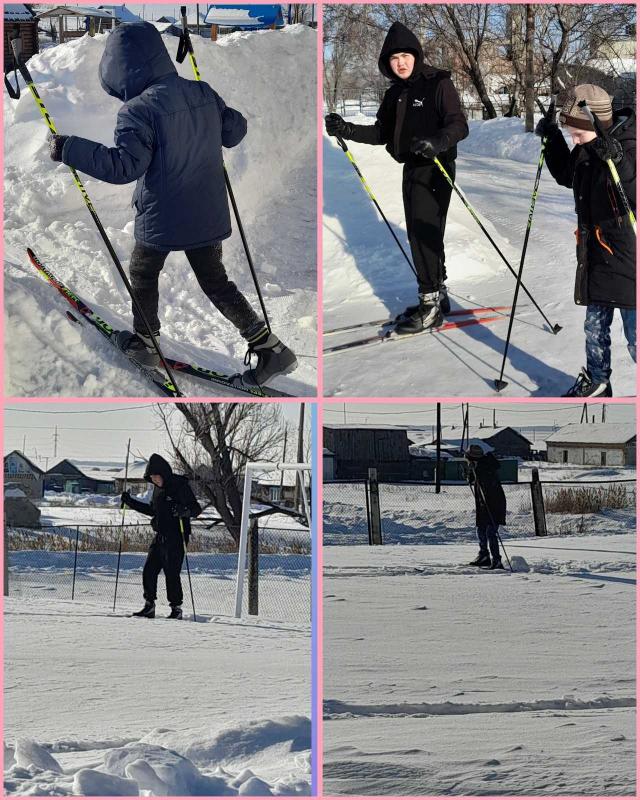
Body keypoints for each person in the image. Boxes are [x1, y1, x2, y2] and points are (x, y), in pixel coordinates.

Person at [47, 21, 296, 387]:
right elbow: (235, 131)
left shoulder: (137, 110)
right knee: (216, 282)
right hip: (207, 213)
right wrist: (217, 110)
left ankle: (146, 341)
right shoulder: (201, 91)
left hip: (163, 218)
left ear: (121, 69)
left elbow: (124, 167)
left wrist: (68, 147)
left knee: (144, 273)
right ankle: (269, 346)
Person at [325, 21, 469, 334]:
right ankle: (438, 294)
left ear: (416, 55)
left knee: (423, 235)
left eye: (405, 55)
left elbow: (459, 124)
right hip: (412, 169)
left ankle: (429, 303)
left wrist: (438, 142)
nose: (400, 62)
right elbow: (382, 133)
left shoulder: (437, 83)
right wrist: (347, 130)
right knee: (425, 234)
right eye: (393, 58)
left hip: (437, 167)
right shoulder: (395, 94)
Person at [535, 84, 636, 397]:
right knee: (594, 328)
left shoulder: (628, 144)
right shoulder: (586, 148)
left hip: (629, 257)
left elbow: (631, 195)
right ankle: (598, 380)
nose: (574, 140)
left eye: (576, 133)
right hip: (595, 252)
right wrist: (552, 140)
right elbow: (569, 175)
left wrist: (617, 161)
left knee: (635, 336)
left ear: (595, 121)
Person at [121, 453, 202, 619]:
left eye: (156, 477)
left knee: (171, 573)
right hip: (160, 535)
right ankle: (149, 605)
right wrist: (131, 502)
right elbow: (152, 510)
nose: (154, 480)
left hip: (177, 536)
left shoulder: (180, 485)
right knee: (149, 570)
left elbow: (196, 509)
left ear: (163, 473)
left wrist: (183, 511)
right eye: (151, 478)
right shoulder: (157, 490)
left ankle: (176, 608)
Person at [465, 443, 506, 570]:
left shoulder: (485, 468)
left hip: (493, 504)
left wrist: (474, 471)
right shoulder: (479, 466)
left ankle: (497, 560)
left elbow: (489, 488)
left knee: (490, 532)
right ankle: (484, 556)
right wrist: (470, 472)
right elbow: (473, 480)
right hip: (484, 504)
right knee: (481, 529)